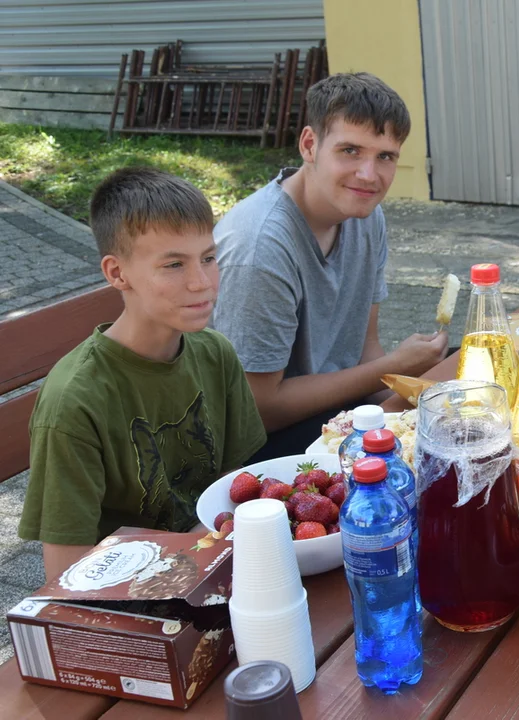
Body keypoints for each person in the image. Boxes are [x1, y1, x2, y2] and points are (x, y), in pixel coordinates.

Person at [19, 168, 266, 581]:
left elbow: (233, 489)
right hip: (127, 596)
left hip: (216, 566)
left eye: (208, 258)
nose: (201, 283)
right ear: (117, 273)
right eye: (173, 265)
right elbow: (66, 576)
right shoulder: (76, 401)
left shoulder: (215, 353)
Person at [212, 73, 448, 455]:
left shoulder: (366, 216)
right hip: (265, 446)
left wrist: (412, 392)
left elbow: (364, 349)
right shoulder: (260, 247)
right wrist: (395, 365)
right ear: (309, 144)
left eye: (385, 156)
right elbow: (259, 409)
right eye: (350, 151)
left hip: (338, 416)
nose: (369, 175)